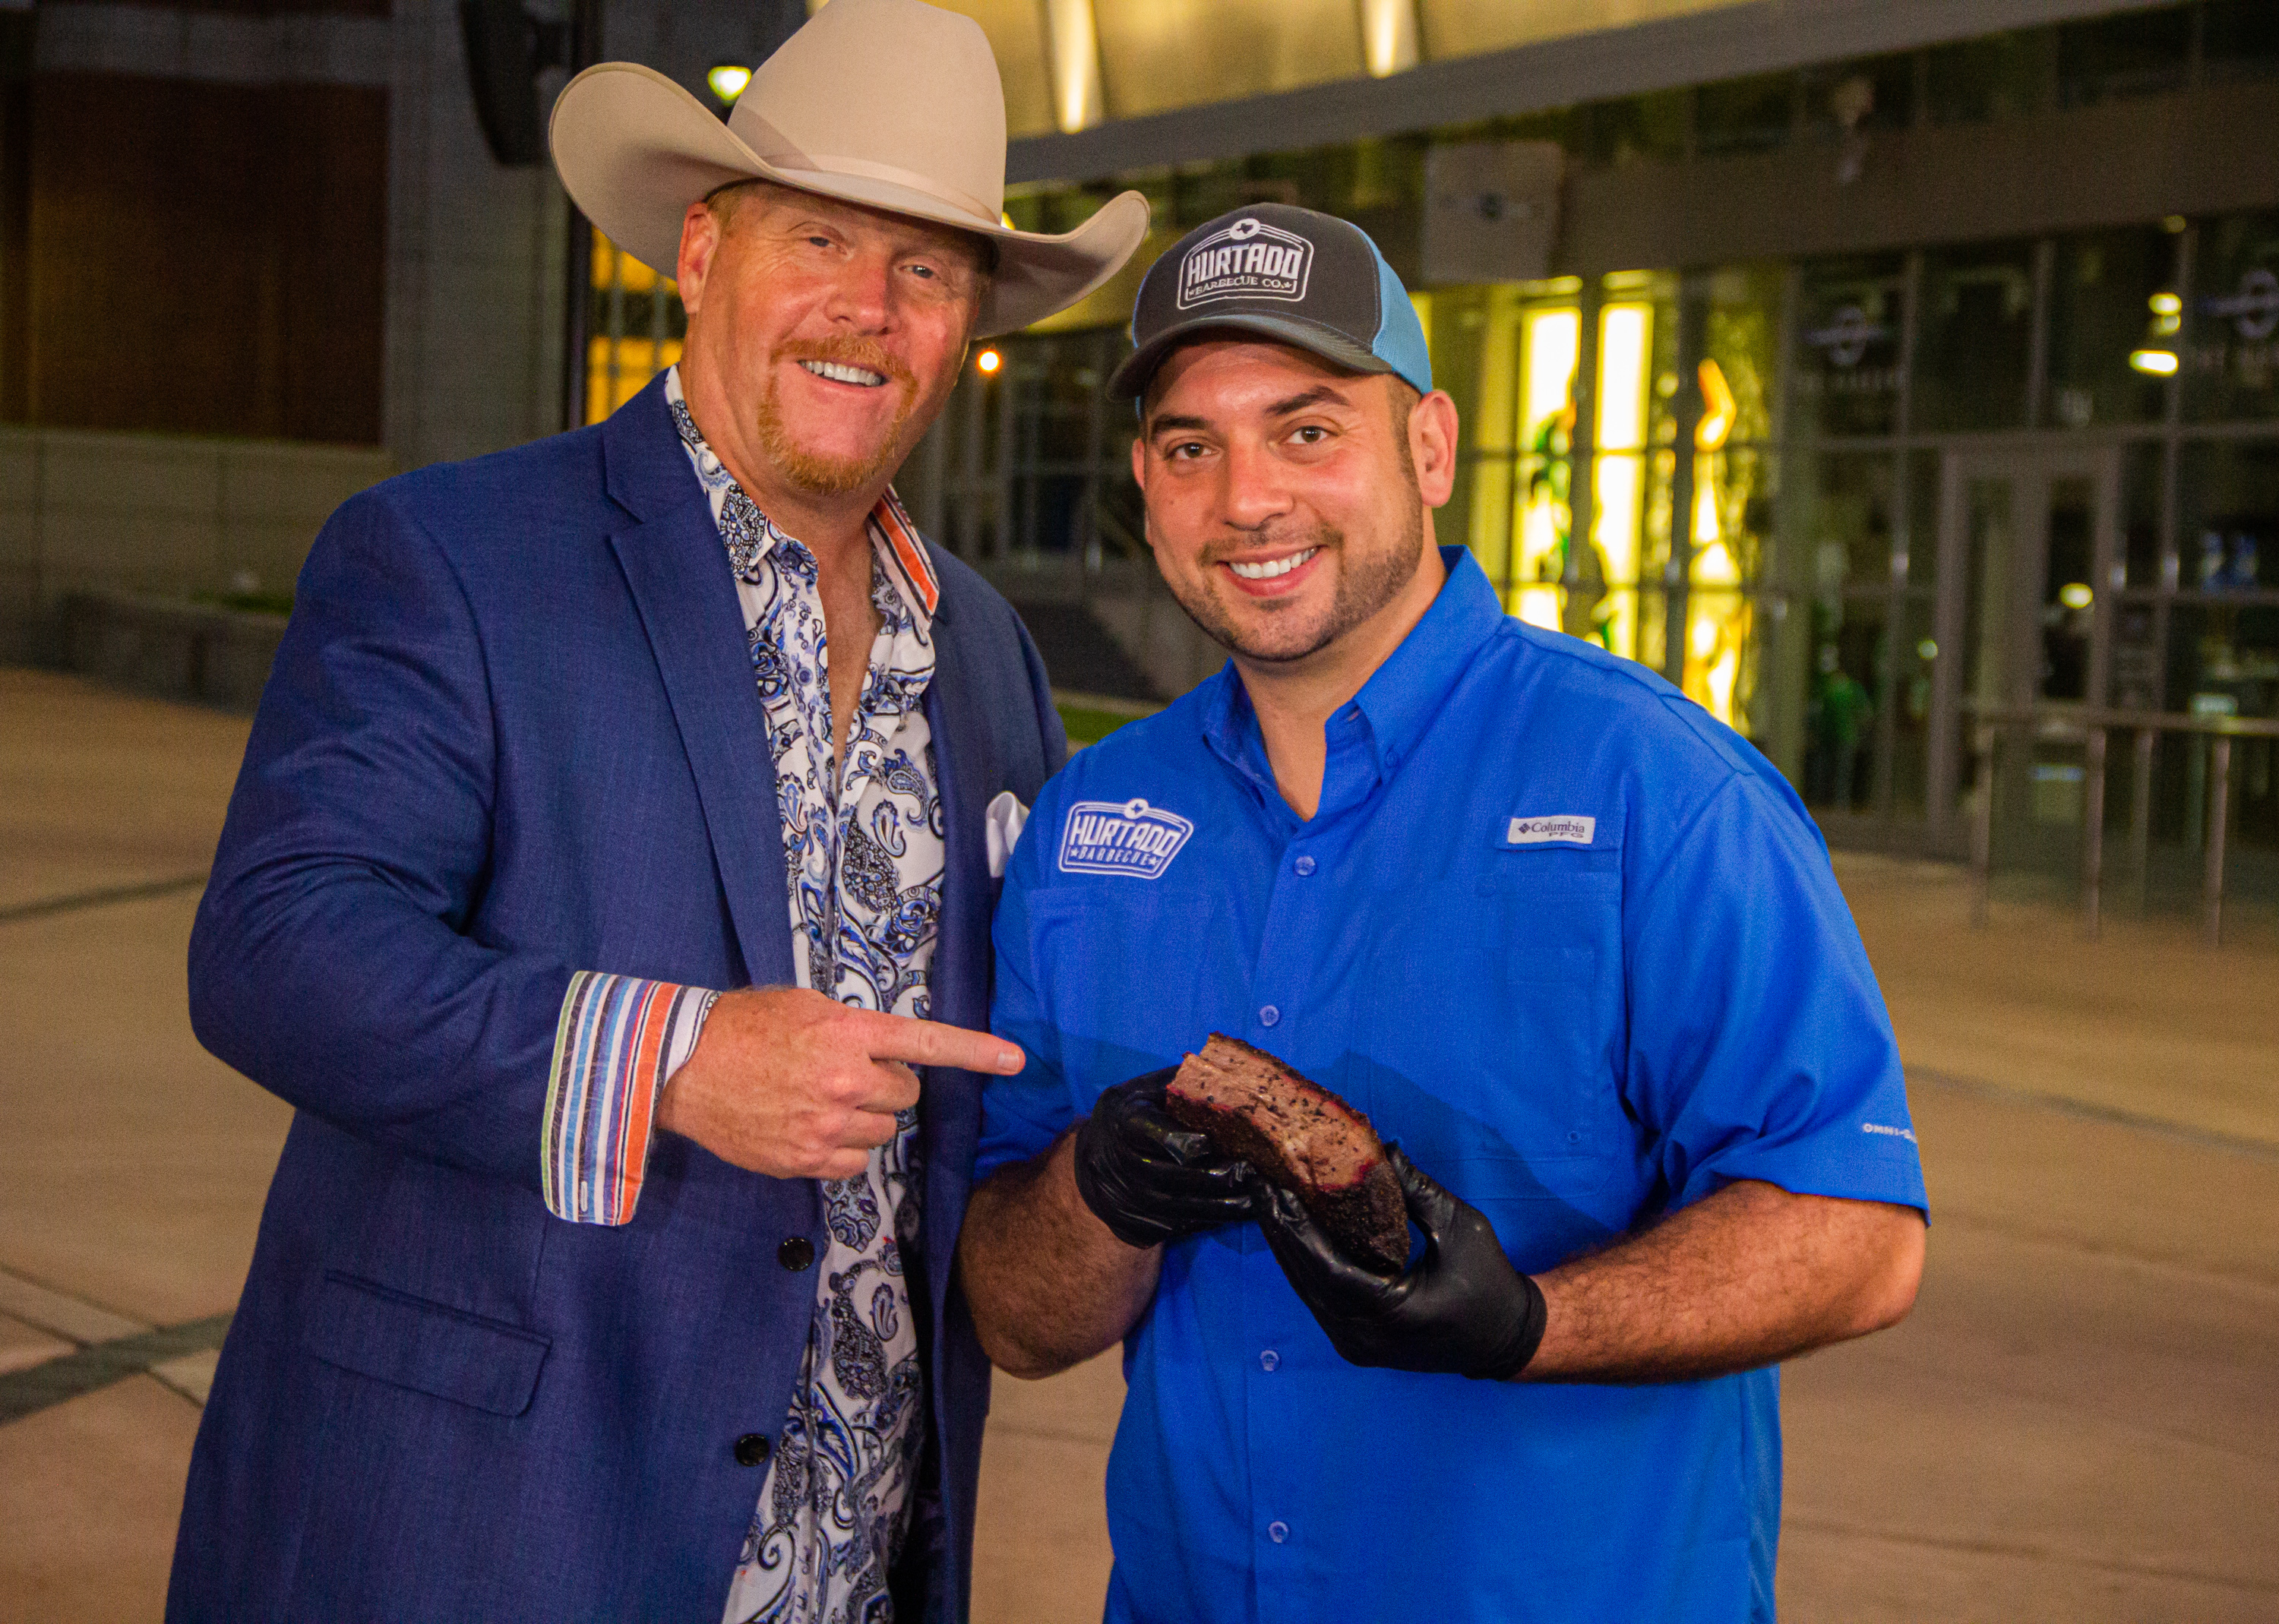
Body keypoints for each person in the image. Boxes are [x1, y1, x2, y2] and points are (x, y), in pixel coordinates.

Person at [167, 4, 1146, 1619]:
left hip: (857, 1562)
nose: (868, 309)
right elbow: (277, 947)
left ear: (970, 314)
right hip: (492, 1538)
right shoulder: (455, 558)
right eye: (820, 237)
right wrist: (672, 1058)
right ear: (700, 252)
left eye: (922, 268)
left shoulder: (985, 651)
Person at [958, 204, 1927, 1623]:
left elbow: (1860, 1227)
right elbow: (1016, 1318)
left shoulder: (1657, 788)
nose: (1246, 500)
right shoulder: (1094, 824)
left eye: (1306, 430)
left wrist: (1537, 1323)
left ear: (1429, 447)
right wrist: (1096, 1197)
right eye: (1190, 445)